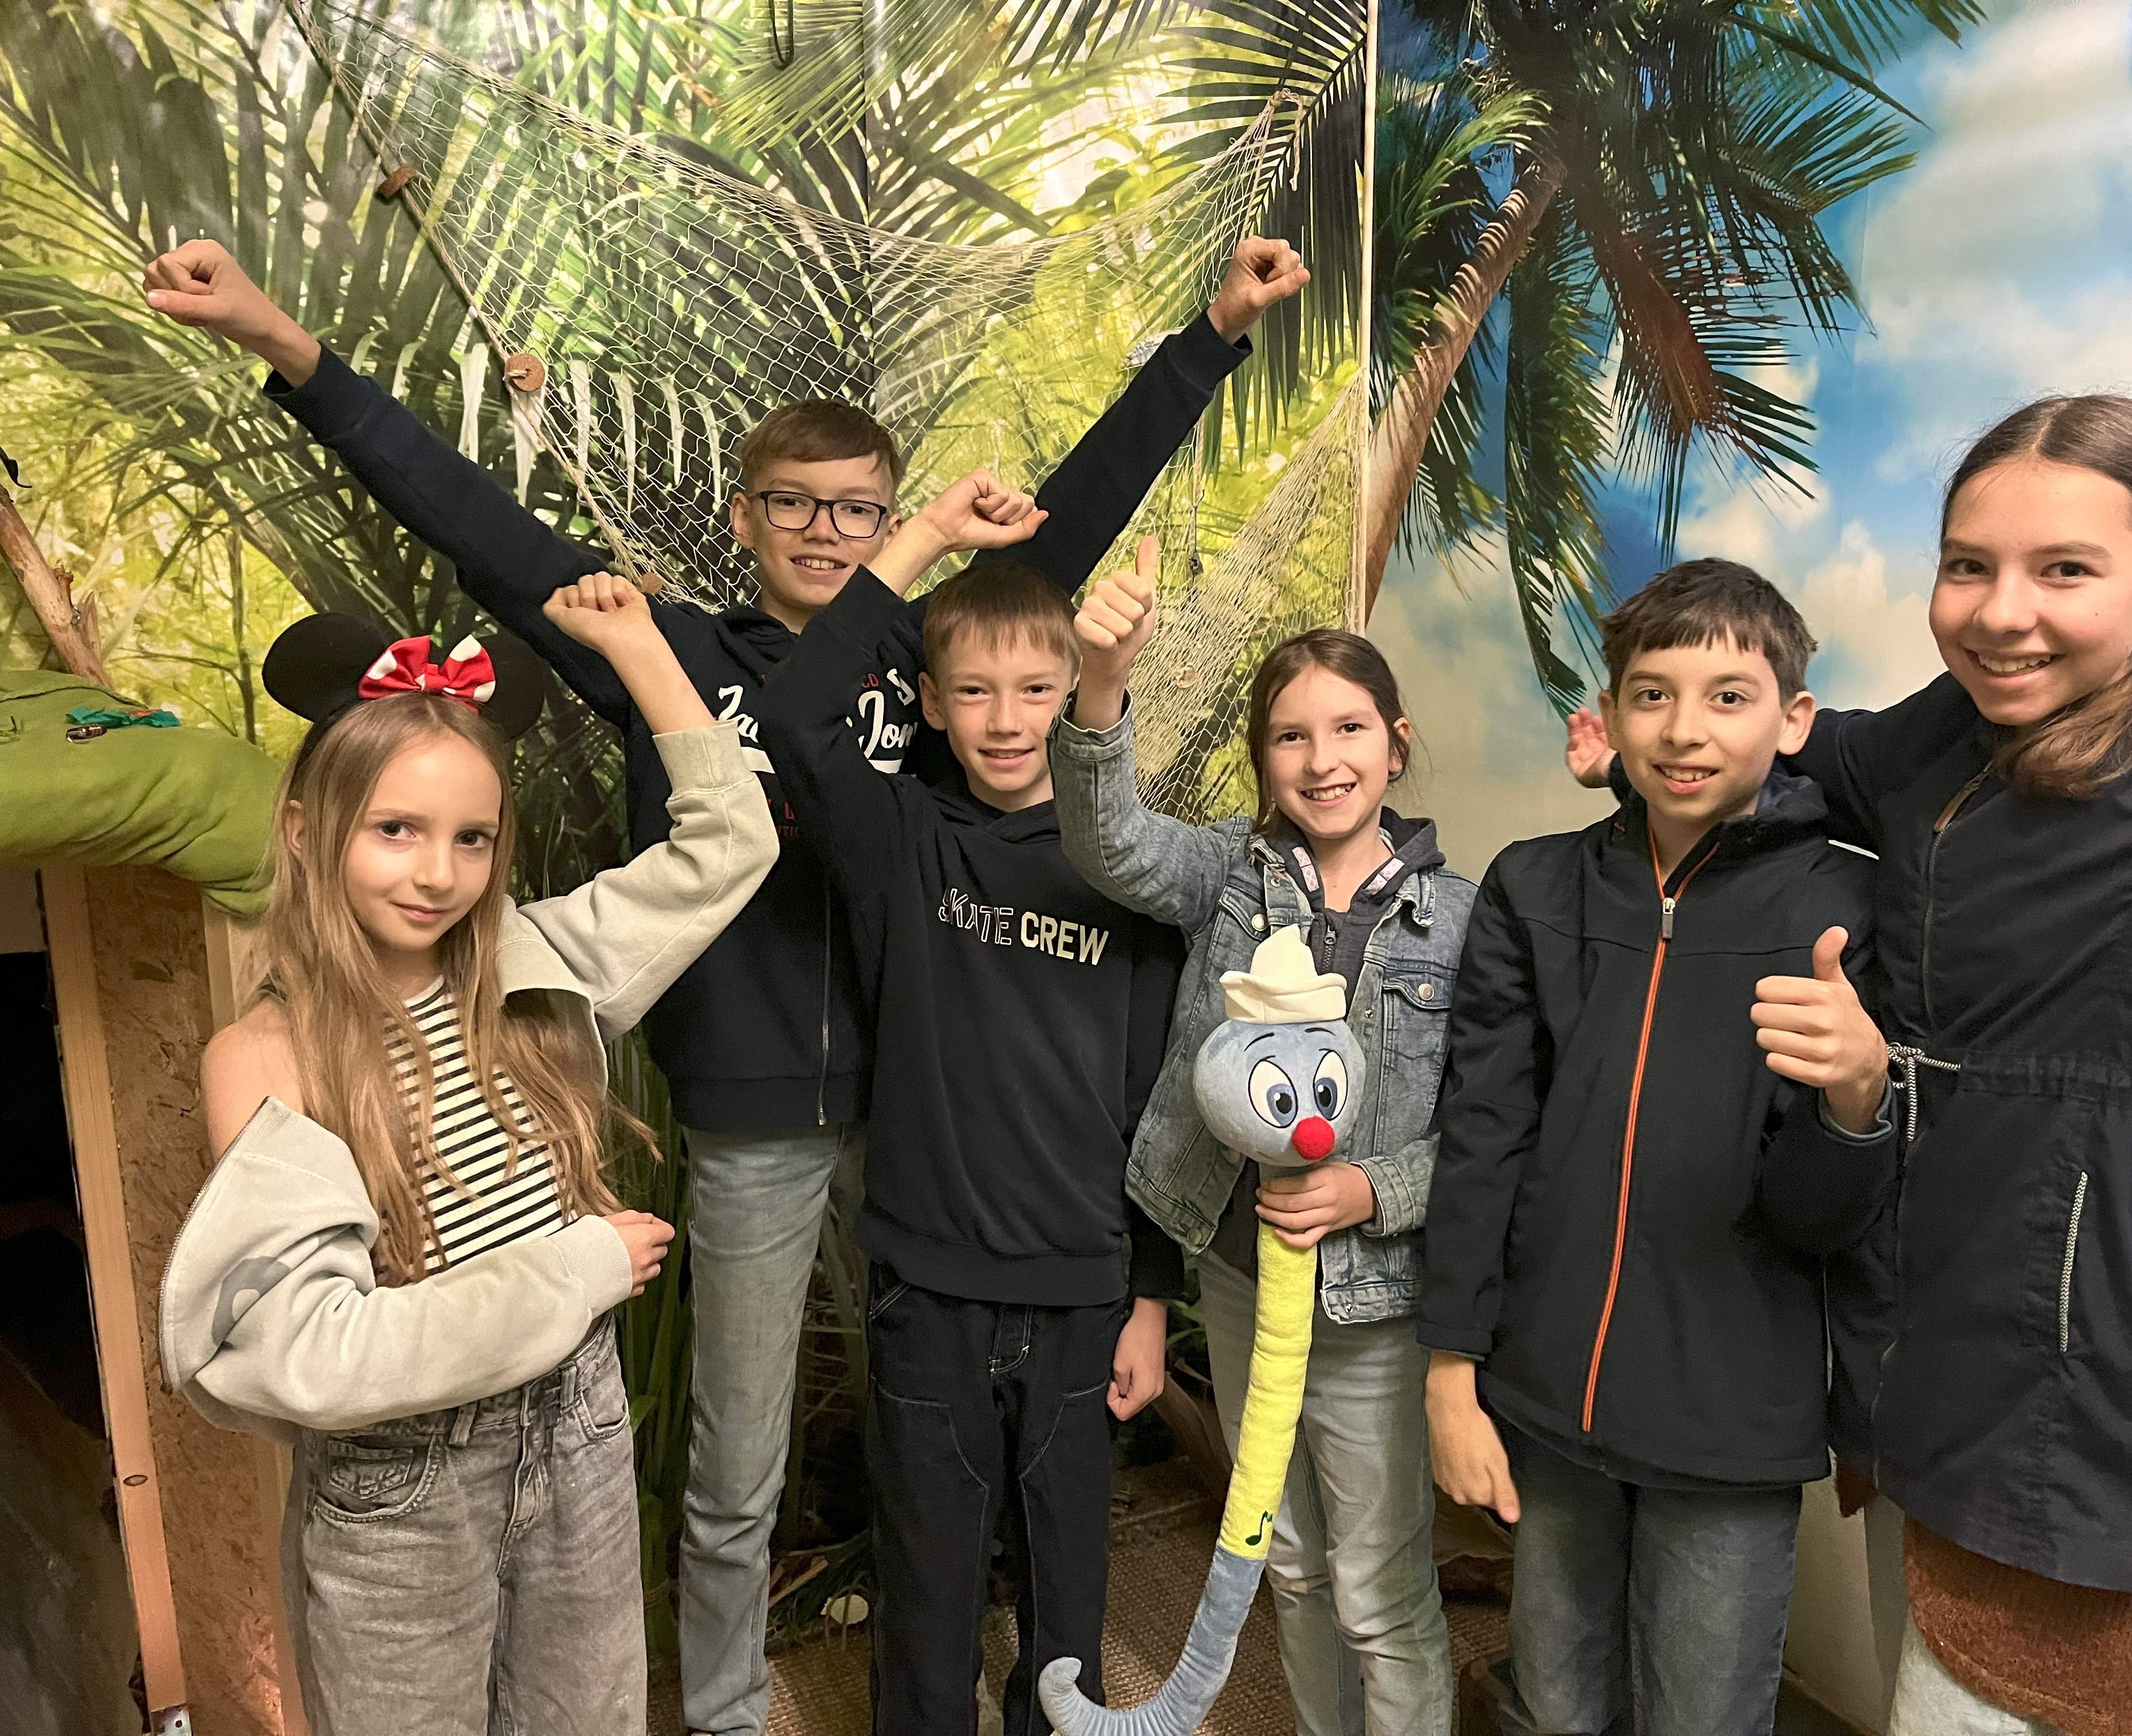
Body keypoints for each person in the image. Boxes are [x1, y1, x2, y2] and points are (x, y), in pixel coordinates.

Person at [140, 235, 1306, 1736]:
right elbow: (473, 518)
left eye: (860, 509)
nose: (828, 532)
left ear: (894, 518)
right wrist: (283, 342)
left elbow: (1069, 532)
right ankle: (732, 1714)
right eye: (796, 505)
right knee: (740, 1462)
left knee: (940, 1433)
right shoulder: (666, 653)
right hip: (753, 1113)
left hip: (922, 1109)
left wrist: (1212, 332)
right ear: (746, 517)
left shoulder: (929, 662)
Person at [1570, 399, 2132, 1736]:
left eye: (2065, 569)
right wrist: (1646, 764)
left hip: (2064, 1411)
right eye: (1969, 565)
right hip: (1899, 1365)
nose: (2000, 613)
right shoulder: (1945, 737)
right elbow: (1794, 748)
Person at [159, 579, 778, 1736]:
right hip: (404, 1490)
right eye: (394, 829)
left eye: (471, 838)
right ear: (306, 829)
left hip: (576, 1429)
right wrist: (573, 1272)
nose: (437, 873)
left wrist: (638, 646)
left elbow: (732, 841)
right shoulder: (266, 1056)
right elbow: (315, 1352)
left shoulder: (538, 961)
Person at [1429, 560, 1901, 1736]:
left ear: (1794, 718)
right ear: (1612, 713)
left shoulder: (1848, 911)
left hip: (1729, 1428)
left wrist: (1856, 1100)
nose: (1685, 729)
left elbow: (1820, 1218)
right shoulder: (1534, 887)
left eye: (1730, 697)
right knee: (1552, 1705)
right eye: (1653, 694)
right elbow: (1483, 1138)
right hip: (1547, 1396)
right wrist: (1451, 1372)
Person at [754, 526, 1189, 1736]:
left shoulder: (1134, 875)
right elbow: (793, 713)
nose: (1007, 721)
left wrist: (1151, 1299)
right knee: (927, 1588)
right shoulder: (901, 840)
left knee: (1068, 1598)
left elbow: (1160, 1102)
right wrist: (926, 540)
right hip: (928, 1292)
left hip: (1084, 1297)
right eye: (976, 692)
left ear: (1079, 696)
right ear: (932, 705)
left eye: (1038, 690)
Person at [1050, 548, 1474, 1736]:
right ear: (1262, 759)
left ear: (1396, 743)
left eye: (1349, 729)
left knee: (1380, 1592)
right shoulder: (1226, 879)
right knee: (1287, 1560)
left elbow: (1493, 1136)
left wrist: (1372, 1190)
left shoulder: (1465, 922)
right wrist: (1100, 681)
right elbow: (1107, 841)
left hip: (1377, 1307)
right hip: (1241, 1283)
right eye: (1291, 736)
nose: (1322, 759)